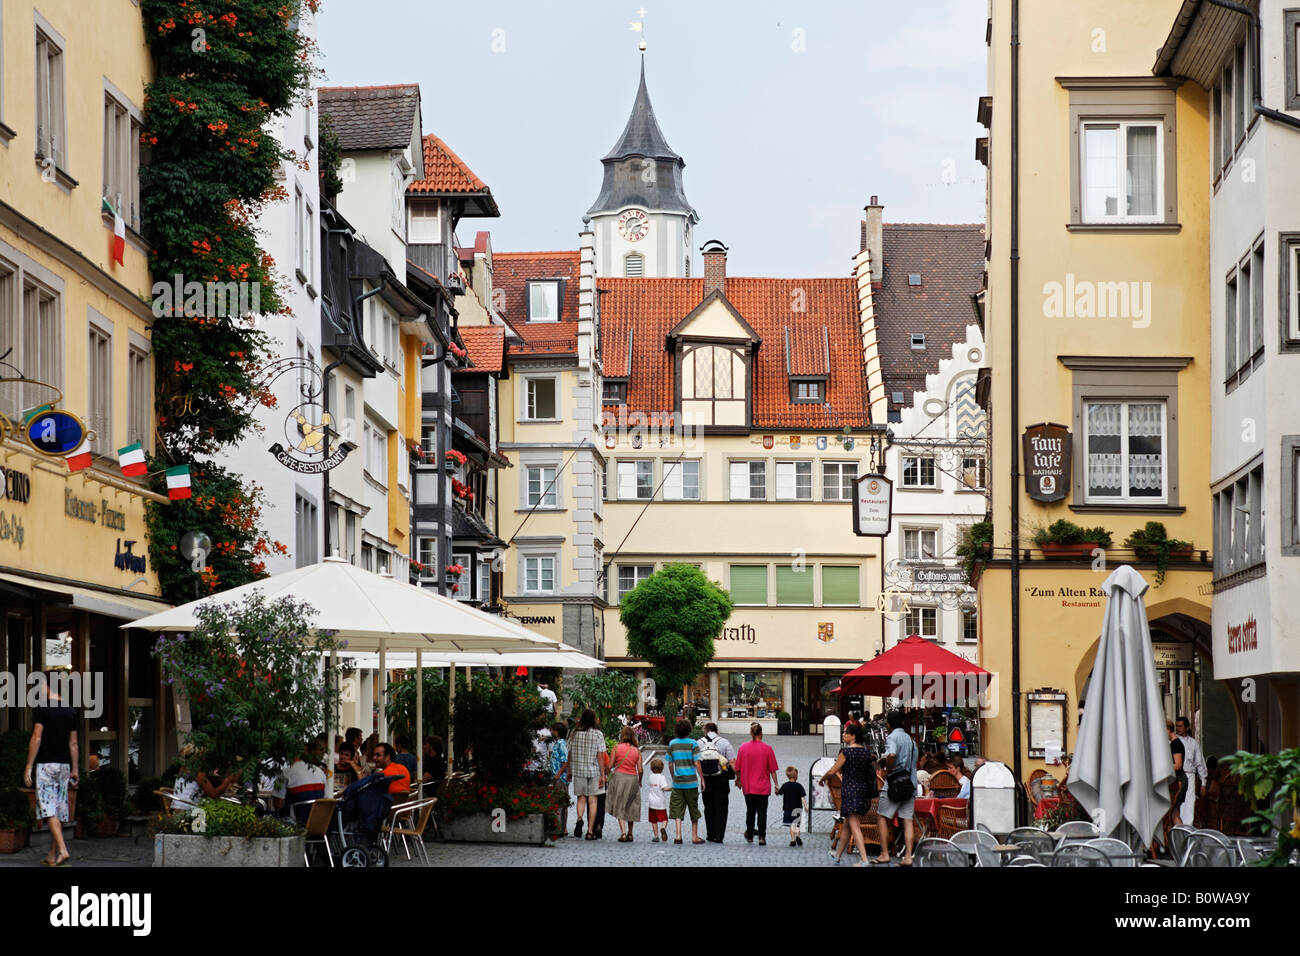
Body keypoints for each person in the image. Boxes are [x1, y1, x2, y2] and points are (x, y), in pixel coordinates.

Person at [23, 674, 78, 866]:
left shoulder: (42, 709)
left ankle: (63, 850)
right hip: (64, 765)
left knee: (48, 809)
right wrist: (76, 769)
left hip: (46, 764)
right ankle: (52, 855)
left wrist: (29, 765)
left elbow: (36, 738)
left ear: (47, 686)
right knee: (60, 809)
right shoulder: (71, 711)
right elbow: (73, 743)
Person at [822, 723, 876, 865]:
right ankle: (838, 856)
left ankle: (864, 860)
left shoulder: (846, 753)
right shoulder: (865, 752)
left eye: (846, 733)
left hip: (850, 791)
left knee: (854, 825)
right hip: (862, 790)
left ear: (853, 736)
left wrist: (823, 779)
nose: (843, 735)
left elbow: (833, 771)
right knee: (847, 823)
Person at [876, 709, 918, 865]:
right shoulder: (911, 740)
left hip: (894, 785)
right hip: (910, 785)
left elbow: (892, 754)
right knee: (907, 820)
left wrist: (888, 767)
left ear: (888, 724)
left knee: (881, 817)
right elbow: (915, 762)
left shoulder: (892, 737)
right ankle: (908, 857)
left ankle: (884, 853)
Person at [735, 722, 780, 846]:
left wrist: (738, 780)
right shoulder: (767, 748)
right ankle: (761, 836)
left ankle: (749, 835)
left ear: (751, 733)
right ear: (761, 733)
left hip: (748, 786)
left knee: (750, 811)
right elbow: (772, 770)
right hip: (762, 786)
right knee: (762, 812)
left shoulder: (743, 748)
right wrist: (776, 784)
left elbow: (737, 768)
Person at [666, 718, 705, 845]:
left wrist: (673, 778)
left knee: (677, 808)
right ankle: (694, 836)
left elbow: (670, 765)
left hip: (678, 782)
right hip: (691, 782)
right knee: (693, 808)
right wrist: (702, 779)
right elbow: (697, 762)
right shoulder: (693, 744)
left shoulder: (672, 744)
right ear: (689, 730)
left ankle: (678, 835)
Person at [569, 709, 606, 840]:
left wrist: (569, 771)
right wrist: (603, 774)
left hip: (579, 770)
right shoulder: (598, 734)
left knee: (581, 798)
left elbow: (570, 752)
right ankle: (590, 831)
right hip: (594, 771)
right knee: (593, 800)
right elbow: (600, 755)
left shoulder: (574, 734)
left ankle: (579, 818)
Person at [697, 722, 736, 843]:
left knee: (708, 807)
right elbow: (732, 762)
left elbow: (696, 762)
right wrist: (738, 778)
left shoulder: (698, 743)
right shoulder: (724, 742)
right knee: (722, 807)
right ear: (716, 730)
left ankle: (710, 833)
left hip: (706, 778)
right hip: (721, 778)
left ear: (705, 730)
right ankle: (719, 835)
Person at [606, 726, 643, 842]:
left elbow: (609, 765)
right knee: (631, 805)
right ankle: (630, 833)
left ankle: (623, 833)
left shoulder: (616, 748)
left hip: (619, 778)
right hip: (632, 779)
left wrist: (609, 775)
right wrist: (640, 781)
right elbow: (640, 770)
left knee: (620, 805)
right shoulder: (637, 751)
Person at [285, 740, 328, 822]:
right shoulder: (320, 772)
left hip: (296, 823)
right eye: (321, 750)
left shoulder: (286, 772)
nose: (323, 753)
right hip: (319, 823)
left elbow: (278, 804)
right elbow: (326, 800)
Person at [1175, 716, 1206, 828]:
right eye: (1176, 726)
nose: (1178, 728)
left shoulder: (1194, 743)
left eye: (1180, 726)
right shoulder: (1173, 742)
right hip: (1177, 775)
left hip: (1189, 774)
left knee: (1189, 802)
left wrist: (1203, 783)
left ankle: (1187, 829)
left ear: (1187, 727)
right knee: (1177, 802)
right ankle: (1177, 828)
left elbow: (1200, 763)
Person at [778, 766, 807, 847]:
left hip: (788, 809)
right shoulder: (799, 786)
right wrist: (806, 806)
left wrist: (776, 790)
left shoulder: (785, 785)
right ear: (796, 776)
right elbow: (802, 797)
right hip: (797, 808)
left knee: (791, 825)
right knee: (797, 824)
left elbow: (779, 792)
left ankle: (793, 840)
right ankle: (798, 836)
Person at [549, 722, 570, 836]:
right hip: (558, 777)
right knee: (560, 803)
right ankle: (561, 827)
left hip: (560, 778)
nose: (551, 732)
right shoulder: (558, 743)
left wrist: (559, 773)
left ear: (556, 732)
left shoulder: (561, 744)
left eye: (552, 730)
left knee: (560, 803)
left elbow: (566, 761)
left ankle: (561, 828)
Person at [647, 757, 671, 842]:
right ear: (662, 768)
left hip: (651, 802)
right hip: (660, 803)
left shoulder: (650, 776)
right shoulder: (662, 777)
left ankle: (656, 836)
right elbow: (664, 788)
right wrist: (672, 788)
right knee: (664, 819)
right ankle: (663, 827)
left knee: (653, 821)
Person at [1167, 721, 1187, 826]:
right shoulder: (1175, 743)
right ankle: (1179, 838)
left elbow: (1178, 765)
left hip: (1179, 781)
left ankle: (1180, 838)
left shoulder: (1176, 744)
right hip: (1178, 780)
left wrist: (1165, 768)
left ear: (1168, 730)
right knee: (1175, 813)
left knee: (1174, 813)